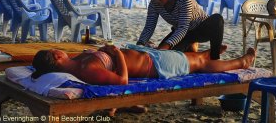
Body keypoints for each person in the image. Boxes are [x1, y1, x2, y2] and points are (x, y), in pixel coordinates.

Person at [32, 44, 255, 84]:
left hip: (147, 56)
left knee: (191, 57)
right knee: (198, 64)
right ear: (57, 58)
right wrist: (117, 53)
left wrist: (99, 51)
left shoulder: (76, 61)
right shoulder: (86, 70)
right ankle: (241, 62)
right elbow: (122, 80)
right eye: (56, 51)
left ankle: (208, 54)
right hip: (154, 67)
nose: (60, 50)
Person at [137, 0, 224, 60]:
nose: (156, 0)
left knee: (217, 19)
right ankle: (193, 48)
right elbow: (149, 27)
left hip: (201, 29)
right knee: (166, 57)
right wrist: (140, 44)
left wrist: (165, 47)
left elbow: (183, 27)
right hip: (183, 35)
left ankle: (214, 55)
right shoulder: (154, 4)